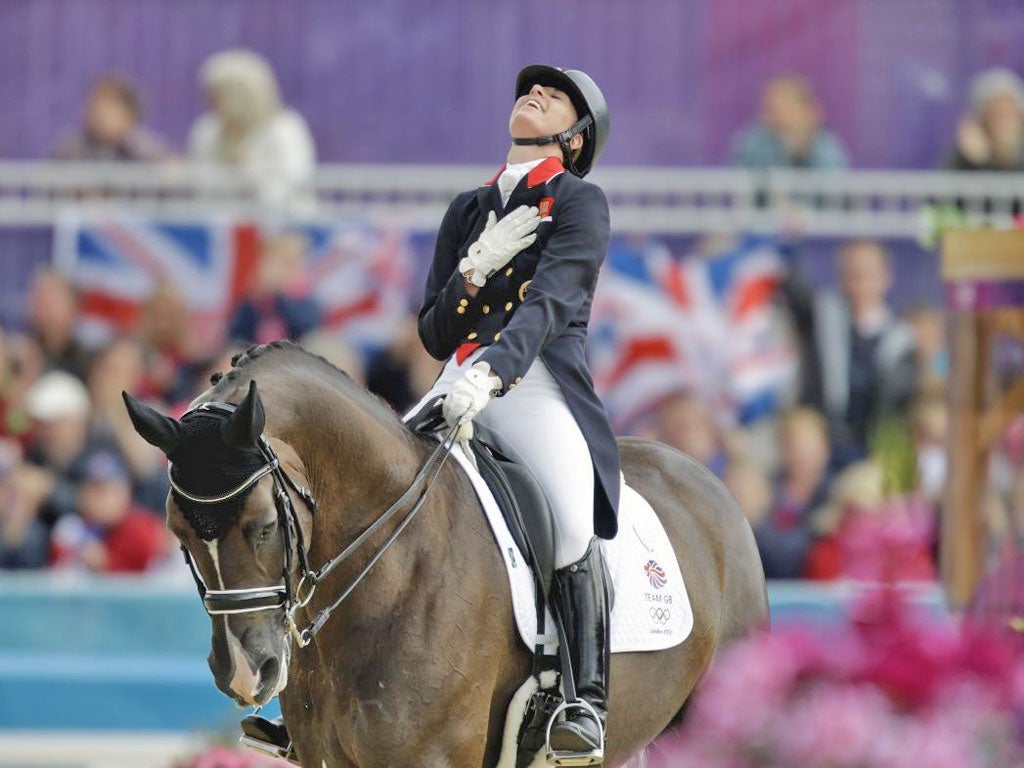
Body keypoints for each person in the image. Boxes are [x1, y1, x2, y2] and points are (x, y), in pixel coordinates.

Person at [244, 65, 615, 763]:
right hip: (455, 379)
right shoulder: (468, 210)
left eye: (555, 96)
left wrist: (496, 371)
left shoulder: (579, 201)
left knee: (570, 522)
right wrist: (474, 271)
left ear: (575, 138)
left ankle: (583, 700)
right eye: (531, 89)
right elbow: (436, 333)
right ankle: (307, 692)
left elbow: (552, 303)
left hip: (532, 382)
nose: (535, 94)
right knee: (360, 502)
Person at [781, 239, 917, 467]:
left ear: (885, 278)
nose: (857, 284)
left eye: (865, 274)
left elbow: (896, 410)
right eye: (850, 274)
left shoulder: (900, 341)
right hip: (823, 446)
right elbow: (792, 287)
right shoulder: (824, 318)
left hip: (871, 452)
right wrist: (789, 239)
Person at [189, 49, 316, 212]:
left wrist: (246, 172)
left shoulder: (284, 128)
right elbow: (203, 188)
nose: (210, 105)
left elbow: (292, 184)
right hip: (221, 221)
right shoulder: (207, 130)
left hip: (282, 221)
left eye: (217, 97)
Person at [51, 451, 168, 573]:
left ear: (127, 492)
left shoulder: (143, 529)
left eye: (113, 490)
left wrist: (107, 565)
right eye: (96, 490)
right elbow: (58, 577)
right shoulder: (70, 529)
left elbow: (158, 577)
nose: (105, 500)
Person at [731, 74, 849, 170]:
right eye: (772, 107)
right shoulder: (755, 142)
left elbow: (835, 178)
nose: (778, 115)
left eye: (786, 106)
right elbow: (743, 175)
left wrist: (801, 148)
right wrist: (782, 146)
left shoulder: (825, 144)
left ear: (805, 109)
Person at [227, 232, 323, 345]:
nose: (278, 271)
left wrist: (279, 293)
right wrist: (260, 296)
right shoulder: (252, 302)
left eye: (288, 265)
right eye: (270, 262)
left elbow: (304, 327)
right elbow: (237, 334)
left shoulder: (305, 302)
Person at [51, 75, 172, 163]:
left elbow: (170, 170)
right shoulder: (71, 148)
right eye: (95, 106)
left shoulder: (144, 147)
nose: (99, 114)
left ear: (128, 115)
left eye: (109, 108)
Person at [945, 68, 1024, 172]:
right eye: (997, 114)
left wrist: (1006, 157)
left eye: (1009, 114)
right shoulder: (963, 157)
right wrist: (977, 160)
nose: (1004, 123)